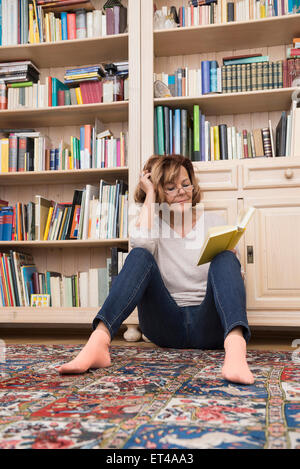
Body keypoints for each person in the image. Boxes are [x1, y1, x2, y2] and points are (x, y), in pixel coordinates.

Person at [58, 154, 254, 385]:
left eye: (185, 184)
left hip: (210, 326)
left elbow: (233, 284)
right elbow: (141, 248)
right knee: (140, 254)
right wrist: (149, 194)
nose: (181, 191)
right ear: (160, 192)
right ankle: (98, 342)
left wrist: (231, 262)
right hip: (165, 326)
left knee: (227, 257)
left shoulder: (216, 222)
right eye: (170, 187)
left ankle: (235, 350)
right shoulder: (152, 224)